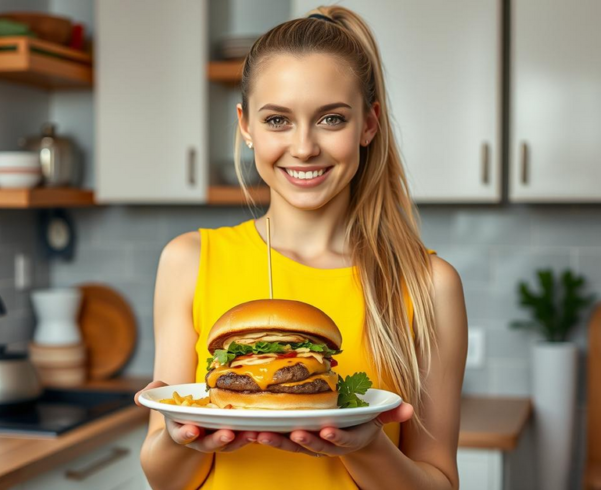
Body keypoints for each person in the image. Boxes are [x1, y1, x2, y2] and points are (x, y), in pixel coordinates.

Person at [134, 6, 467, 490]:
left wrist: (369, 445)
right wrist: (178, 436)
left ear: (369, 125)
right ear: (246, 126)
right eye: (278, 120)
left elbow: (439, 482)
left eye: (331, 118)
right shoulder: (188, 261)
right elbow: (164, 480)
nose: (305, 146)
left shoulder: (429, 284)